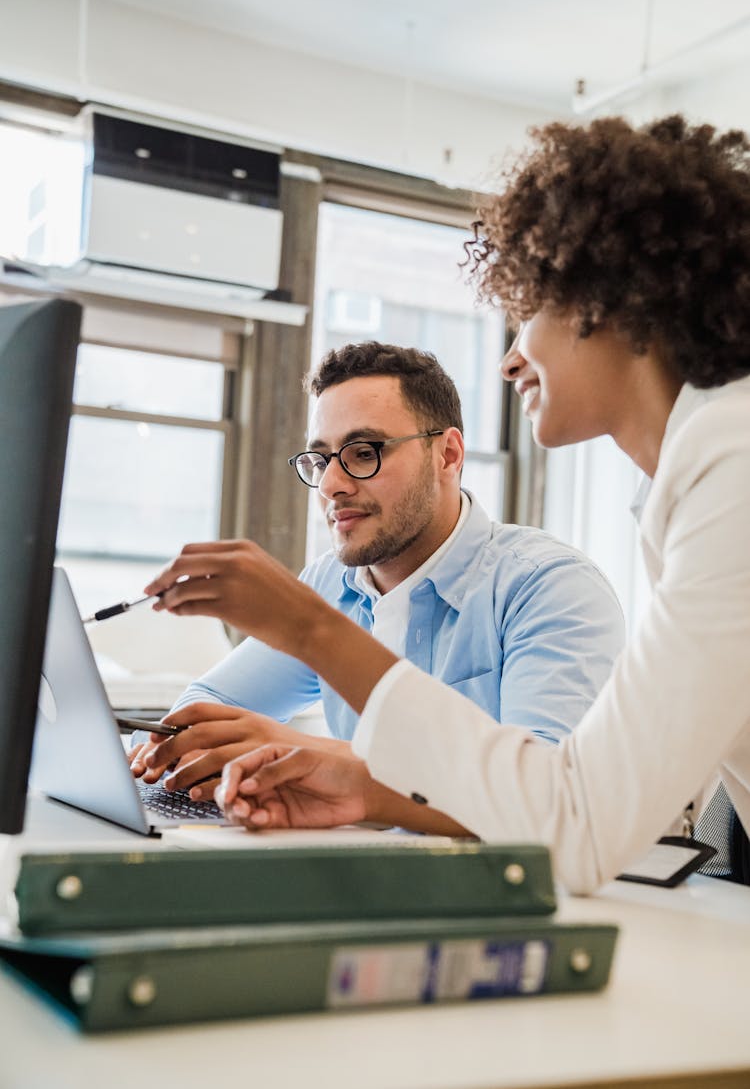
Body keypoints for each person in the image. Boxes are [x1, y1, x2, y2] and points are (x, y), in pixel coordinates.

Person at [145, 114, 750, 893]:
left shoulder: (728, 458)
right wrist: (359, 784)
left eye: (529, 306)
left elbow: (578, 823)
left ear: (617, 300)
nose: (509, 358)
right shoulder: (690, 471)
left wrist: (306, 629)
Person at [133, 341, 623, 836]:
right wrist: (167, 751)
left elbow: (548, 801)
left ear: (448, 455)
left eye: (364, 453)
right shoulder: (330, 584)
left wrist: (311, 754)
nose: (331, 485)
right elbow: (210, 706)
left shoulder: (548, 587)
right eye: (321, 461)